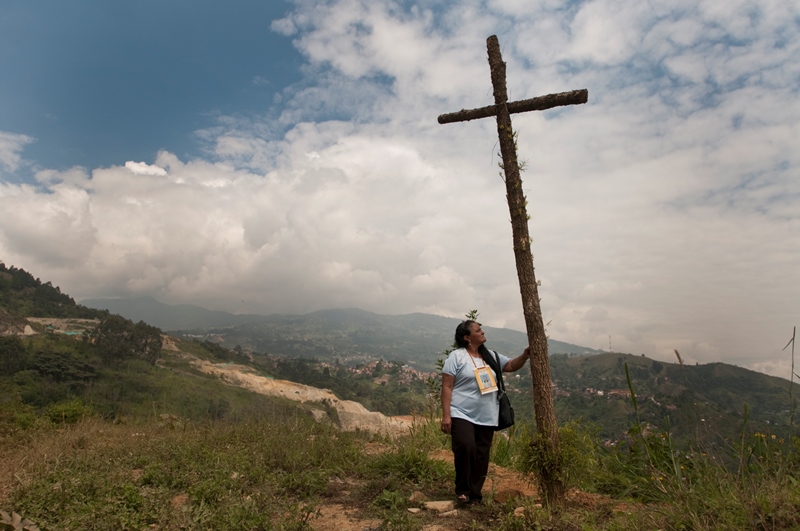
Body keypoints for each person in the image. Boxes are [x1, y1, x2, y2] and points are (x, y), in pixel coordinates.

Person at [440, 319, 530, 505]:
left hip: (487, 414)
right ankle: (462, 490)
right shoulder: (456, 357)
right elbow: (447, 386)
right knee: (465, 446)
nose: (482, 332)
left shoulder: (491, 356)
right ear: (467, 337)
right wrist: (446, 415)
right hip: (461, 412)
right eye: (477, 330)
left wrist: (525, 355)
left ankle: (475, 495)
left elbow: (511, 366)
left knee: (481, 455)